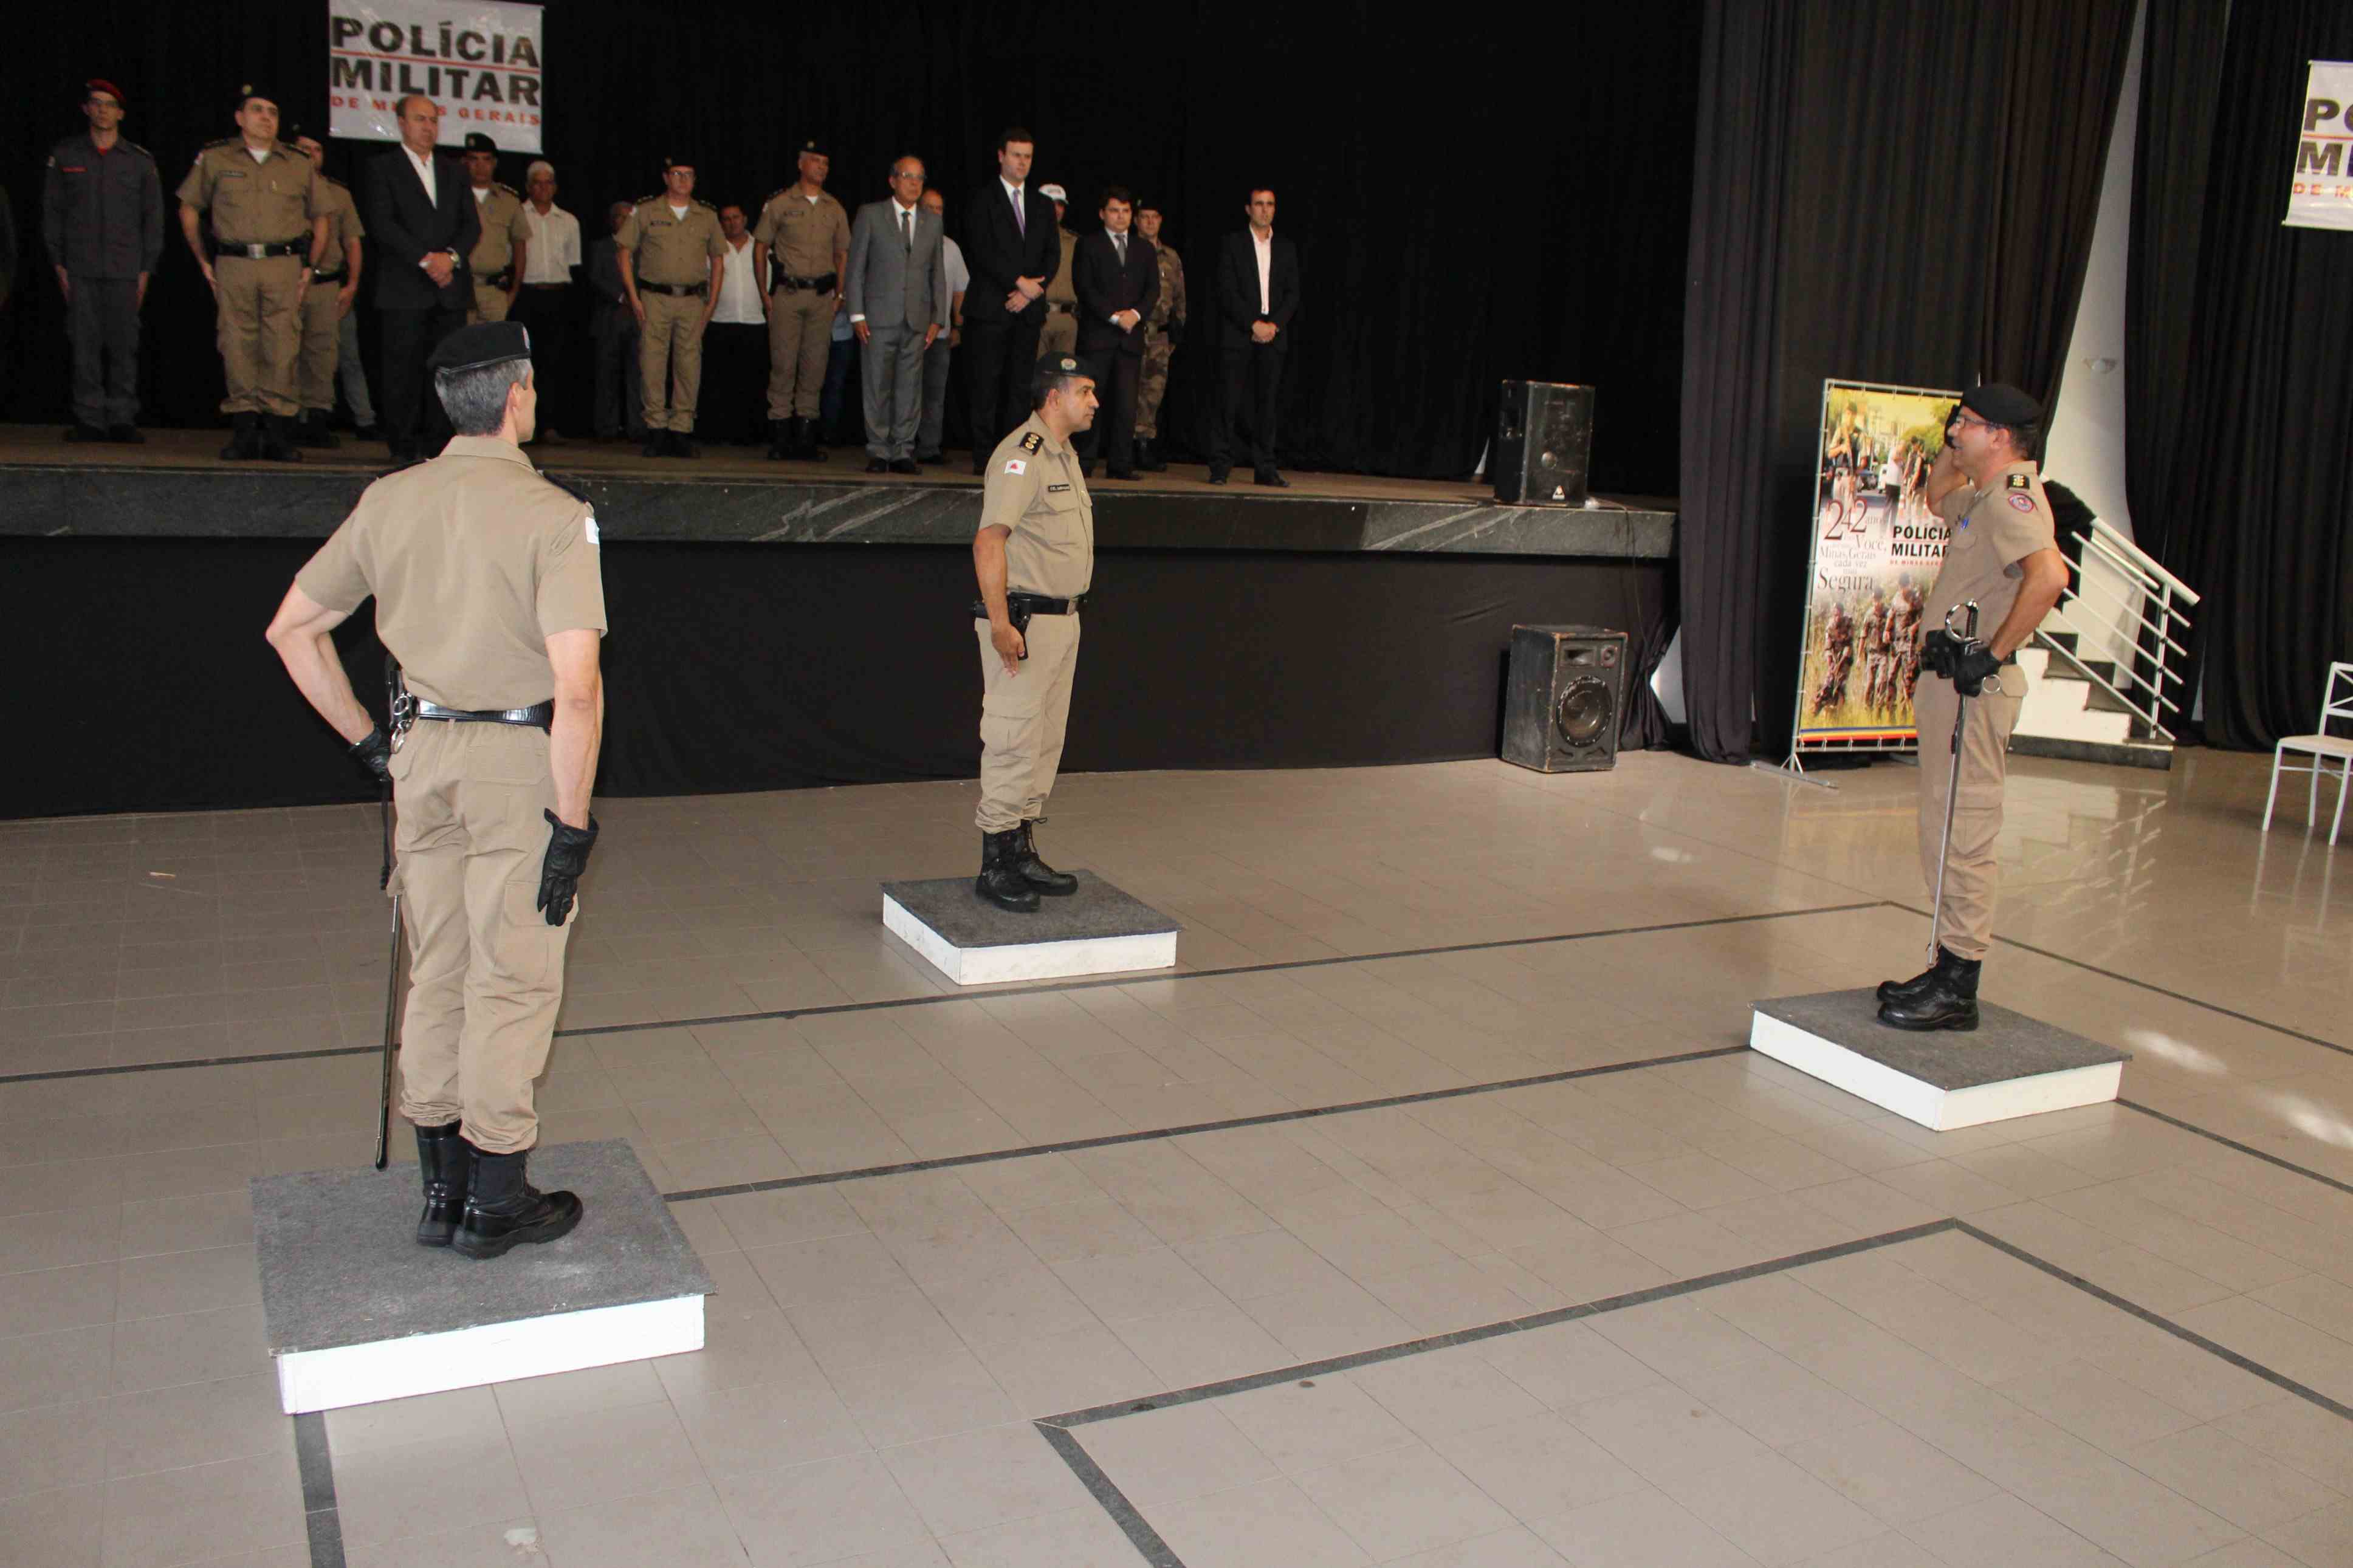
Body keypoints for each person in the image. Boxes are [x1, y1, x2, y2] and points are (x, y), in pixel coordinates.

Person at [263, 320, 606, 1260]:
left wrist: (373, 746)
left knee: (439, 967)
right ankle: (497, 1197)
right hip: (517, 765)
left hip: (422, 758)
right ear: (517, 396)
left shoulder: (389, 499)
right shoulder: (553, 515)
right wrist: (572, 824)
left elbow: (293, 630)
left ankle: (440, 1191)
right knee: (512, 976)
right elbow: (578, 688)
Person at [1876, 383, 2068, 1031]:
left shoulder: (2012, 499)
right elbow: (1936, 498)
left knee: (1965, 830)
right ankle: (1945, 964)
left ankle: (1959, 986)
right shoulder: (1983, 498)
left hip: (1974, 692)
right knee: (1943, 824)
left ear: (2001, 436)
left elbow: (2050, 577)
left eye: (1967, 423)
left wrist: (1991, 653)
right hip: (1949, 688)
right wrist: (1952, 449)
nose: (1955, 429)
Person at [971, 356, 1096, 912]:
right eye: (1085, 391)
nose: (1095, 402)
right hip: (1024, 623)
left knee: (1044, 740)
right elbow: (989, 541)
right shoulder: (1021, 456)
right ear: (1054, 397)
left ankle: (1020, 849)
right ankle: (995, 862)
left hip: (1061, 621)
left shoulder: (1063, 455)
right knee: (1012, 736)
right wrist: (1000, 623)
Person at [177, 86, 329, 463]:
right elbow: (189, 207)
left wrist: (310, 267)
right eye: (258, 110)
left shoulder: (297, 162)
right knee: (236, 343)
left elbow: (322, 217)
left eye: (273, 112)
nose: (266, 118)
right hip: (235, 264)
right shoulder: (216, 158)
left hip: (283, 264)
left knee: (282, 346)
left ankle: (278, 433)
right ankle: (244, 431)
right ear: (240, 118)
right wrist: (202, 259)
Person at [43, 77, 163, 443]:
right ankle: (90, 419)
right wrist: (59, 263)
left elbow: (153, 218)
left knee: (124, 347)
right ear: (86, 109)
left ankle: (122, 418)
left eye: (110, 105)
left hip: (126, 268)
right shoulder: (67, 155)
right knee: (85, 345)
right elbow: (53, 212)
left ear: (120, 114)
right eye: (96, 103)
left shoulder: (139, 161)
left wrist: (146, 269)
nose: (102, 110)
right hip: (80, 266)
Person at [362, 94, 479, 465]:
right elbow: (383, 224)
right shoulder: (382, 168)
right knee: (403, 370)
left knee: (446, 371)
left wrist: (451, 259)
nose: (428, 127)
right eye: (419, 119)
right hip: (404, 286)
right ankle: (403, 446)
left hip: (449, 289)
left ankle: (440, 446)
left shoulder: (454, 171)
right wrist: (428, 261)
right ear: (401, 123)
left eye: (433, 120)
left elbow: (471, 225)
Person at [960, 128, 1060, 472]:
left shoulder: (1042, 205)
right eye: (1016, 155)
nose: (1022, 162)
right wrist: (1018, 283)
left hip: (1027, 312)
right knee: (986, 386)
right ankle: (984, 458)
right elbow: (981, 249)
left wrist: (1031, 291)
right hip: (991, 308)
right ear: (1001, 156)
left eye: (1028, 157)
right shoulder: (982, 199)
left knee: (1020, 389)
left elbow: (1052, 254)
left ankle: (1014, 460)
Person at [616, 154, 725, 458]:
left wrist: (712, 302)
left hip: (692, 300)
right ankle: (656, 430)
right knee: (652, 363)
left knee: (689, 365)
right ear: (666, 178)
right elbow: (623, 252)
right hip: (655, 298)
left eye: (688, 175)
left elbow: (718, 259)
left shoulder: (707, 216)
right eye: (677, 174)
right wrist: (634, 297)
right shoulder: (646, 211)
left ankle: (681, 431)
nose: (683, 180)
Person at [846, 157, 947, 474]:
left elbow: (937, 273)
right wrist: (856, 314)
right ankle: (879, 450)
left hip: (917, 319)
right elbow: (856, 268)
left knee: (910, 387)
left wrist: (937, 318)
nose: (914, 183)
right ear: (892, 181)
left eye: (920, 178)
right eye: (907, 176)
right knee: (877, 385)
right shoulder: (871, 215)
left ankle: (903, 450)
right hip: (877, 317)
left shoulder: (932, 222)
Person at [753, 139, 850, 461]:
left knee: (815, 367)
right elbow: (760, 247)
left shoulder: (834, 208)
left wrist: (840, 294)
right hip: (788, 294)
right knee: (783, 364)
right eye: (815, 161)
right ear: (801, 164)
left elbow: (842, 254)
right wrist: (764, 292)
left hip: (822, 298)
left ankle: (806, 439)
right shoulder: (780, 203)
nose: (821, 167)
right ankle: (780, 437)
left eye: (825, 163)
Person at [1209, 187, 1298, 486]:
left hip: (1273, 335)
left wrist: (1274, 325)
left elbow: (1292, 294)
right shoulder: (1232, 244)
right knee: (1228, 402)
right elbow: (1226, 290)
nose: (1265, 209)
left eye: (1270, 204)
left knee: (1267, 405)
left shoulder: (1285, 247)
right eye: (1259, 204)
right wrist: (1253, 324)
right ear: (1249, 209)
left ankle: (1265, 468)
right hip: (1238, 333)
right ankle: (1221, 465)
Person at [1073, 186, 1158, 481]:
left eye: (1125, 211)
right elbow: (1084, 288)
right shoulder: (1088, 245)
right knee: (1090, 401)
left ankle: (1121, 464)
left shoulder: (1144, 249)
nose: (1120, 217)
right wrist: (1113, 316)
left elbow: (1152, 290)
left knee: (1126, 405)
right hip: (1098, 337)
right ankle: (1084, 462)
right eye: (1114, 211)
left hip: (1130, 338)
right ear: (1102, 214)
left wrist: (1135, 314)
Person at [288, 134, 364, 449]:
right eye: (304, 149)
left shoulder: (339, 193)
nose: (311, 154)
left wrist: (353, 284)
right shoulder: (280, 185)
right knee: (286, 354)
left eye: (317, 149)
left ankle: (317, 421)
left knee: (323, 356)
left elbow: (352, 241)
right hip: (287, 283)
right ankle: (288, 421)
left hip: (326, 284)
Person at [512, 160, 581, 443]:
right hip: (525, 296)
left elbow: (574, 263)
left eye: (548, 183)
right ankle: (520, 427)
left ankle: (550, 425)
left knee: (553, 363)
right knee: (521, 365)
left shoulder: (569, 221)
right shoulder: (517, 215)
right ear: (529, 187)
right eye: (537, 183)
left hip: (557, 296)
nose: (543, 188)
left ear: (555, 187)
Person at [702, 202, 769, 445]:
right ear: (721, 223)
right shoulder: (714, 249)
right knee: (720, 382)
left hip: (754, 321)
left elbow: (769, 282)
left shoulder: (761, 247)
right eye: (727, 219)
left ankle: (750, 435)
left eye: (736, 217)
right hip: (720, 320)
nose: (732, 222)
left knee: (752, 382)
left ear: (745, 219)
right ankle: (720, 433)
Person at [916, 187, 966, 465]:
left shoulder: (951, 248)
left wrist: (958, 326)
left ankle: (929, 448)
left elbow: (960, 291)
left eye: (939, 209)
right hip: (908, 333)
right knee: (904, 392)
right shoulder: (905, 241)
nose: (935, 213)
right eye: (930, 207)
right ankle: (900, 446)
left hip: (941, 335)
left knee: (935, 394)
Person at [1132, 202, 1184, 471]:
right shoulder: (1128, 250)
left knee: (1152, 394)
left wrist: (1175, 333)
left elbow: (1179, 298)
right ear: (1136, 221)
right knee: (1127, 391)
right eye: (1145, 217)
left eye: (1155, 217)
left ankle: (1144, 446)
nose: (1150, 222)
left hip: (1159, 336)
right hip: (1132, 331)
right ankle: (1122, 448)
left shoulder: (1170, 257)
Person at [587, 200, 644, 442]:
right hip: (609, 318)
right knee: (606, 375)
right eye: (622, 217)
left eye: (632, 218)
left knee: (638, 375)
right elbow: (595, 277)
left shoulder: (646, 248)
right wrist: (622, 297)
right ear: (612, 221)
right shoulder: (600, 247)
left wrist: (637, 300)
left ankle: (637, 427)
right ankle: (606, 428)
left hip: (639, 319)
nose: (627, 222)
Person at [461, 134, 529, 324]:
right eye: (474, 159)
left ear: (495, 163)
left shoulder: (510, 200)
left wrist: (513, 292)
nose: (480, 166)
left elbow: (520, 249)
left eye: (486, 160)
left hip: (495, 293)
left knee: (493, 344)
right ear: (465, 162)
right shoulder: (453, 196)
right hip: (460, 289)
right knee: (461, 342)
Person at [1037, 183, 1080, 361]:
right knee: (1034, 373)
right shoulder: (1024, 238)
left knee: (1064, 374)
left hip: (1067, 319)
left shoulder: (1075, 241)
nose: (1056, 209)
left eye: (1060, 204)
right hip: (1036, 318)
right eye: (1050, 203)